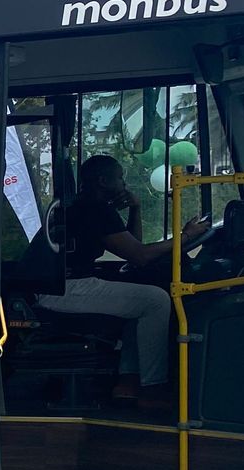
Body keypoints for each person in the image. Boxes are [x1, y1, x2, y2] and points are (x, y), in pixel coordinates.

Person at [37, 153, 208, 406]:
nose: (124, 184)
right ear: (103, 181)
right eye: (120, 178)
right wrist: (186, 236)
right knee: (156, 300)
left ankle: (128, 381)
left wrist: (135, 209)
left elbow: (132, 246)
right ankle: (152, 387)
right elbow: (140, 256)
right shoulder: (96, 211)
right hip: (68, 288)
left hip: (58, 286)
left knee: (138, 300)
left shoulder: (84, 207)